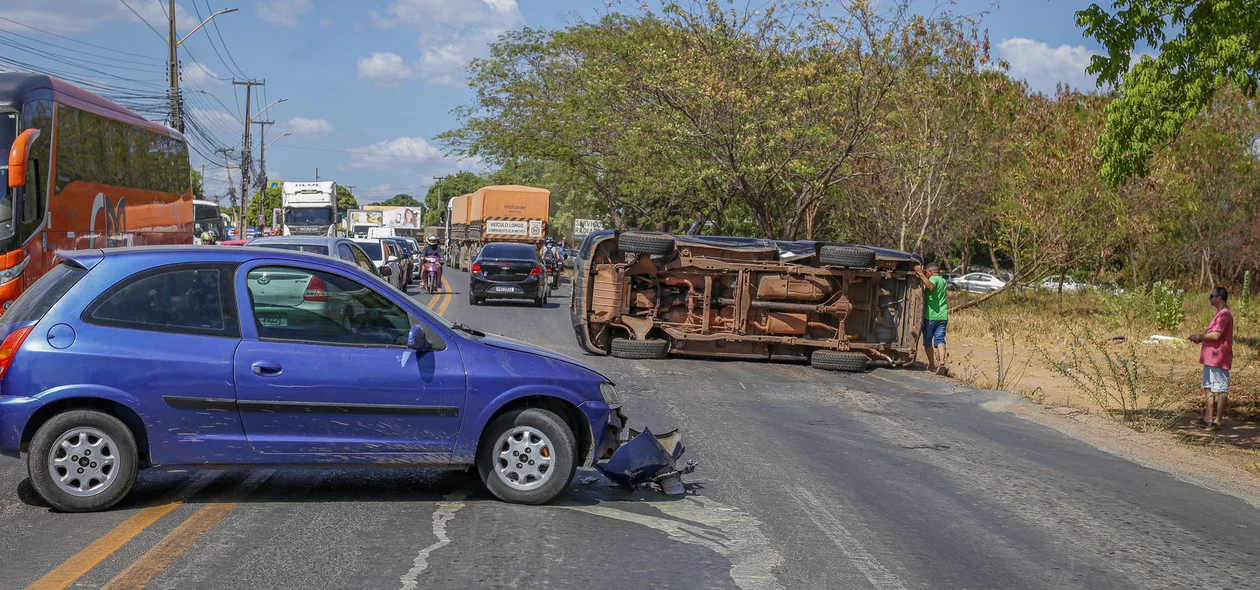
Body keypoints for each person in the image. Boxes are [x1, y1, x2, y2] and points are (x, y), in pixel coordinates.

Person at [1190, 287, 1233, 431]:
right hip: (1210, 357)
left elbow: (1216, 335)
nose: (1210, 299)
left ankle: (1217, 421)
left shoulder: (1225, 314)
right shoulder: (1219, 314)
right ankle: (1207, 418)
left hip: (1219, 357)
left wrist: (1200, 336)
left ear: (1219, 298)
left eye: (1212, 296)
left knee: (1221, 389)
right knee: (1208, 387)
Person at [914, 262, 949, 375]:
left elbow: (930, 286)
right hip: (943, 316)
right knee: (940, 339)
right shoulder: (943, 281)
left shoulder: (933, 279)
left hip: (931, 317)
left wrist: (920, 274)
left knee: (928, 341)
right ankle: (942, 362)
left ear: (930, 272)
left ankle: (932, 365)